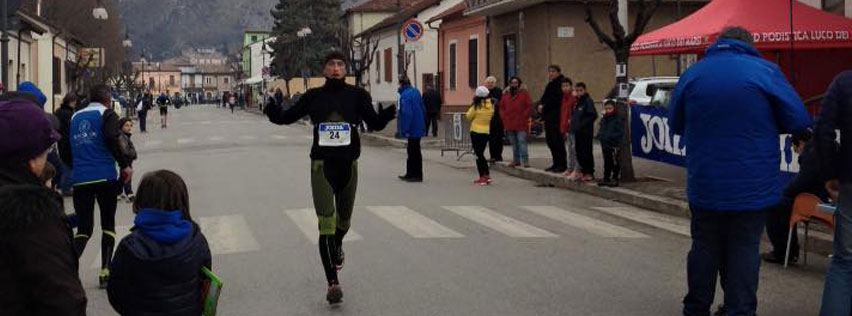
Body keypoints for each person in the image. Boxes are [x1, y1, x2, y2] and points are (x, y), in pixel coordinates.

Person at [668, 27, 812, 316]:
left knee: (704, 245)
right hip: (753, 184)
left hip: (705, 181)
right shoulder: (765, 71)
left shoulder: (694, 74)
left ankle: (696, 307)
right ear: (750, 45)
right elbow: (798, 119)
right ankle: (739, 309)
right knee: (744, 248)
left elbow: (675, 123)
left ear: (719, 45)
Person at [265, 51, 396, 304]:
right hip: (322, 167)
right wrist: (272, 109)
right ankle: (332, 283)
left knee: (343, 223)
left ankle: (337, 246)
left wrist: (389, 112)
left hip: (349, 166)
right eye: (331, 64)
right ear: (324, 69)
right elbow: (286, 117)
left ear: (344, 69)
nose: (336, 68)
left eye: (340, 64)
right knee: (326, 224)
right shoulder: (314, 97)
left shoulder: (358, 95)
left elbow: (375, 123)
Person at [0, 100, 88, 316]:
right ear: (29, 159)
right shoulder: (32, 216)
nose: (48, 155)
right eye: (46, 149)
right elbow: (62, 299)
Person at [107, 170, 211, 315]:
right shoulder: (195, 239)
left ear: (142, 200)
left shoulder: (129, 246)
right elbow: (206, 283)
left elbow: (115, 293)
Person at [70, 84, 134, 289]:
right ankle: (105, 270)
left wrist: (77, 167)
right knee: (108, 223)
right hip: (104, 176)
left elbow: (65, 147)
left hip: (81, 179)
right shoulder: (107, 114)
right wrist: (125, 165)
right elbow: (111, 138)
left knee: (84, 228)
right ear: (107, 99)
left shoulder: (75, 116)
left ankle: (67, 269)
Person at [817, 71, 852, 315]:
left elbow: (822, 130)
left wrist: (831, 173)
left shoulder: (843, 82)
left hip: (850, 180)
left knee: (845, 261)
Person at [397, 75, 427, 183]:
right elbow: (423, 108)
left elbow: (407, 114)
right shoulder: (416, 92)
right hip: (418, 125)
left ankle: (415, 174)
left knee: (412, 151)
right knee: (415, 150)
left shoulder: (405, 96)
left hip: (412, 127)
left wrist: (404, 129)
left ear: (401, 84)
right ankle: (411, 173)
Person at [539, 65, 569, 173]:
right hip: (549, 117)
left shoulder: (560, 83)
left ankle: (562, 164)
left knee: (557, 141)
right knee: (551, 141)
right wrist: (540, 104)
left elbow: (555, 99)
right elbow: (545, 97)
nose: (551, 73)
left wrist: (544, 105)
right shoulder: (551, 84)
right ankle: (556, 163)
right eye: (549, 71)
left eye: (553, 71)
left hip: (556, 117)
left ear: (558, 72)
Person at [500, 76, 532, 168]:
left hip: (521, 122)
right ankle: (516, 160)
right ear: (510, 84)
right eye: (512, 83)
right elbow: (501, 107)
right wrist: (504, 117)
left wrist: (525, 115)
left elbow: (529, 106)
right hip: (509, 122)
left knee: (522, 142)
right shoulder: (506, 94)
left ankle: (525, 161)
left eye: (516, 83)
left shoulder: (524, 93)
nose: (514, 84)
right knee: (514, 143)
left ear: (519, 84)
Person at [467, 86, 495, 185]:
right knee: (481, 153)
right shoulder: (490, 105)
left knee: (478, 155)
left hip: (475, 131)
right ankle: (487, 175)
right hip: (486, 131)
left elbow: (468, 116)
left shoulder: (476, 106)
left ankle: (483, 175)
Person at [571, 82, 597, 182]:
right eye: (577, 91)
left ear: (585, 90)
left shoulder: (588, 101)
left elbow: (592, 115)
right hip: (578, 132)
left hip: (586, 132)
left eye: (580, 90)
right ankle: (583, 171)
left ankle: (589, 172)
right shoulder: (578, 102)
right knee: (579, 152)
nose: (579, 93)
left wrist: (581, 125)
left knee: (586, 152)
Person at [596, 100, 624, 187]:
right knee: (607, 161)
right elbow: (602, 128)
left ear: (614, 108)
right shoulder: (604, 118)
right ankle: (606, 177)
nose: (608, 110)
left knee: (614, 162)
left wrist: (612, 138)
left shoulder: (617, 118)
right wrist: (601, 136)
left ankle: (615, 178)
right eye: (606, 108)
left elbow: (620, 132)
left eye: (610, 108)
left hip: (613, 144)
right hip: (605, 144)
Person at [56, 93, 79, 195]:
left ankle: (63, 185)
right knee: (68, 163)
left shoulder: (58, 111)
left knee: (64, 162)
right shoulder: (70, 114)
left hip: (60, 140)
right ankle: (66, 187)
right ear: (72, 102)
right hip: (67, 141)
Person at [559, 79, 580, 179]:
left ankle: (576, 169)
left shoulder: (574, 98)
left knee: (575, 148)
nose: (565, 88)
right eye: (563, 86)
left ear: (571, 86)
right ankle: (570, 168)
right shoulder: (564, 98)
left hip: (573, 127)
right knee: (570, 148)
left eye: (567, 85)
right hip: (567, 127)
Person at [484, 76, 505, 162]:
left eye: (492, 83)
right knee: (491, 138)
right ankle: (492, 156)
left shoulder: (498, 91)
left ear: (494, 83)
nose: (490, 84)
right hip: (488, 118)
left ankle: (498, 156)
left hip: (498, 118)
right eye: (488, 83)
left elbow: (501, 103)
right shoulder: (485, 92)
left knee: (498, 138)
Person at [118, 118, 138, 203]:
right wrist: (133, 154)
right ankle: (129, 193)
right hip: (125, 160)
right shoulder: (121, 136)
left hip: (126, 160)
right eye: (126, 125)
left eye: (130, 125)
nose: (129, 127)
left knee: (124, 176)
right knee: (126, 175)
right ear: (121, 126)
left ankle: (118, 192)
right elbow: (125, 150)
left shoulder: (125, 135)